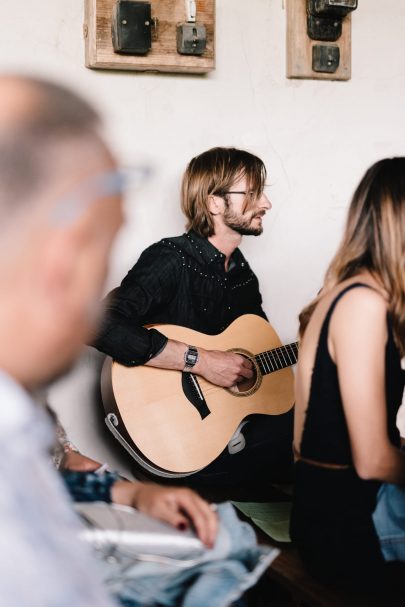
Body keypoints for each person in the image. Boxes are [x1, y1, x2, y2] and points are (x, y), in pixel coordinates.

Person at [0, 74, 217, 607]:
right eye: (105, 253)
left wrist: (131, 491)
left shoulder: (21, 410)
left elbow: (52, 467)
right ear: (63, 261)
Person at [92, 147, 294, 491]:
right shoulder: (171, 259)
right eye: (254, 193)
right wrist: (201, 361)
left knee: (318, 423)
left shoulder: (243, 276)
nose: (266, 204)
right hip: (174, 445)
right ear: (215, 202)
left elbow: (259, 355)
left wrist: (326, 340)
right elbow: (99, 324)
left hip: (224, 439)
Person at [290, 158, 405, 594]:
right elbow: (373, 458)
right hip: (347, 528)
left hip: (332, 511)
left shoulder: (346, 292)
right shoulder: (363, 304)